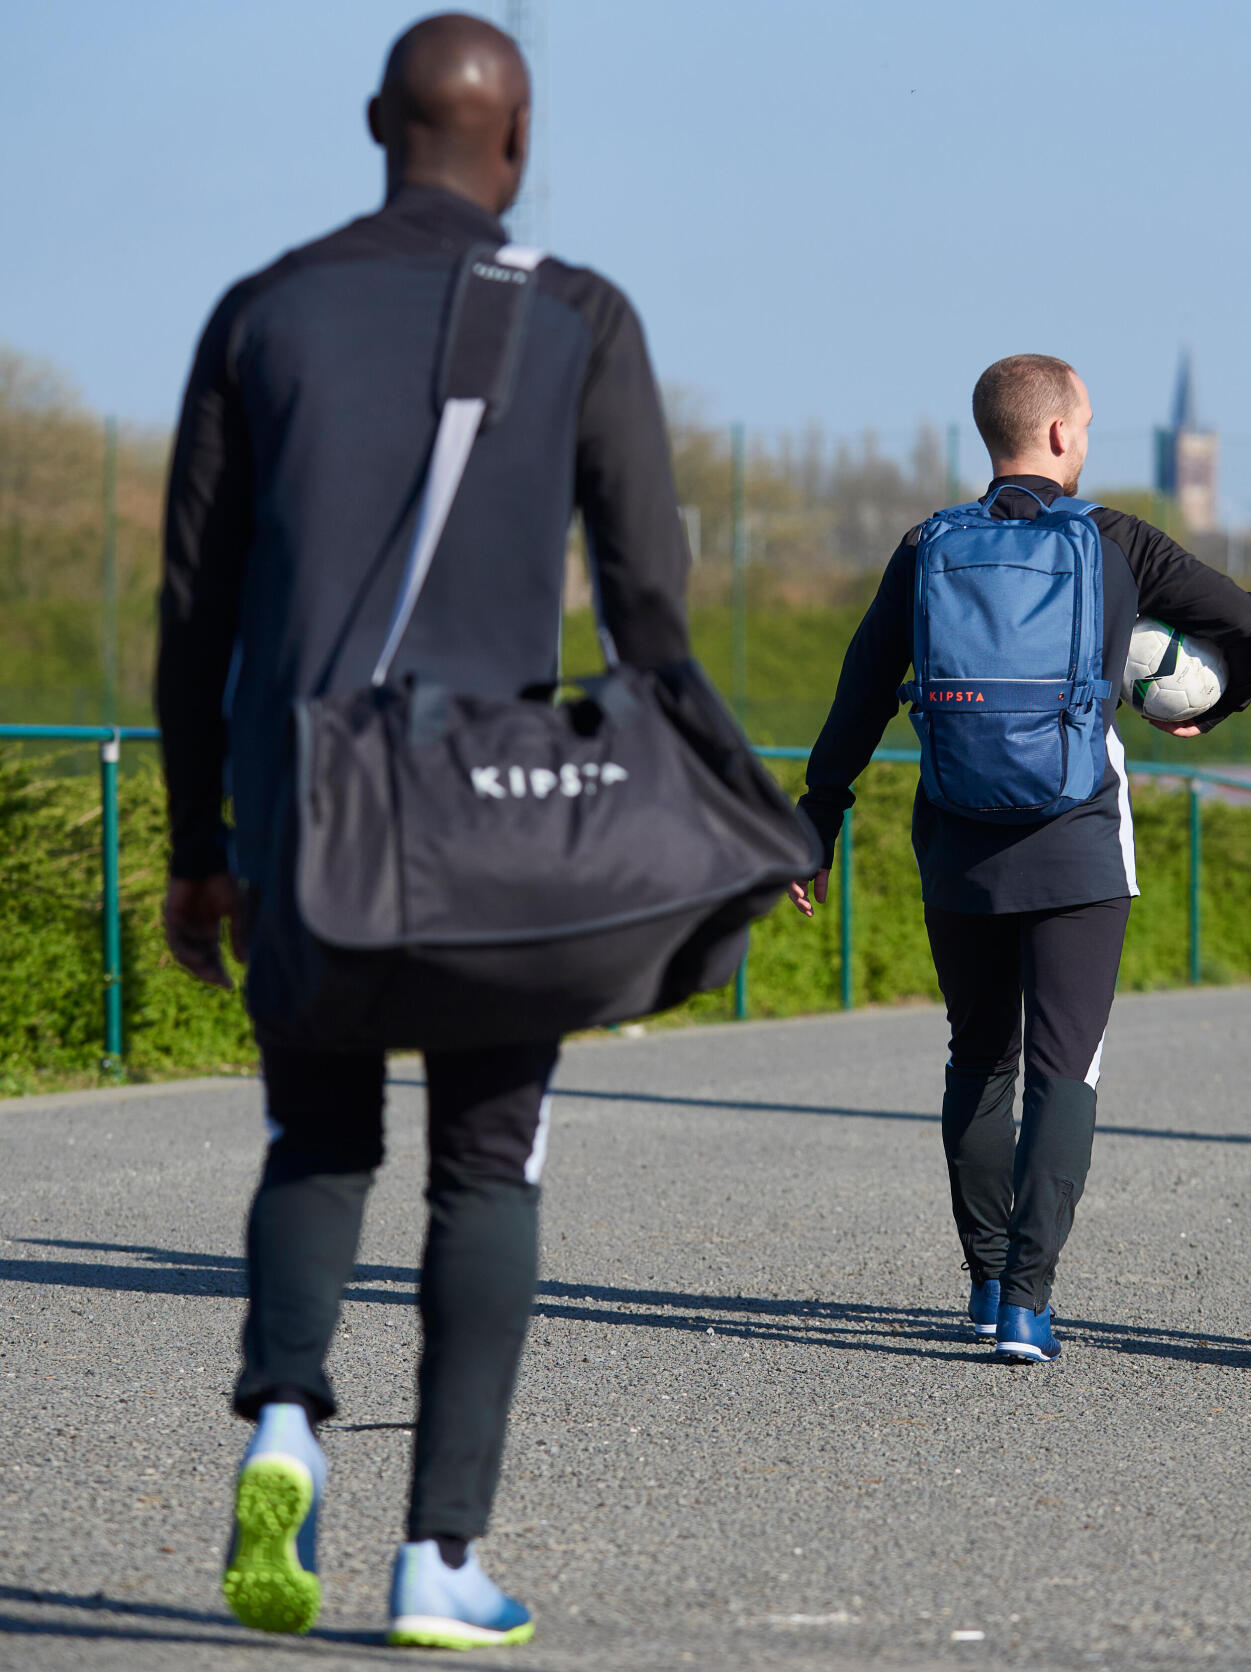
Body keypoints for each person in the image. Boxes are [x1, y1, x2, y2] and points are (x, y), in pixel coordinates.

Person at [157, 13, 690, 1646]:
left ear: (376, 122)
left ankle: (284, 1422)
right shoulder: (580, 316)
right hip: (491, 822)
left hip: (311, 802)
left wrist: (202, 837)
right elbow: (649, 598)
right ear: (514, 139)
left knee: (316, 1139)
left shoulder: (264, 308)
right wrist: (718, 813)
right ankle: (438, 1559)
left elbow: (195, 606)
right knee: (485, 1170)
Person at [791, 354, 1251, 1363]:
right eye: (1087, 423)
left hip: (959, 842)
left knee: (979, 1054)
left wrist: (817, 821)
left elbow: (860, 694)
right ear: (1058, 434)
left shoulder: (927, 546)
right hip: (1077, 844)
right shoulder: (1113, 540)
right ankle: (1027, 1301)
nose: (1088, 438)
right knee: (1062, 1067)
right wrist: (1207, 704)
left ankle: (980, 1280)